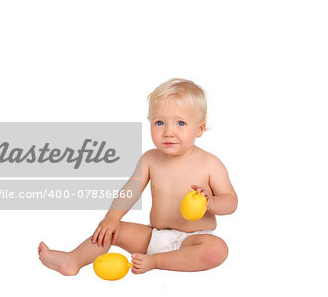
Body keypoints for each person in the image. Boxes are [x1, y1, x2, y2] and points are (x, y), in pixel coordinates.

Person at [38, 78, 238, 275]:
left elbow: (231, 202)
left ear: (200, 129)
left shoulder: (210, 163)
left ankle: (156, 261)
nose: (168, 132)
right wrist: (112, 217)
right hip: (152, 236)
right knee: (111, 231)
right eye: (159, 122)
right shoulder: (150, 159)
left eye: (180, 123)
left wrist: (211, 203)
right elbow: (130, 191)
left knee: (217, 249)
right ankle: (73, 260)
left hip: (193, 241)